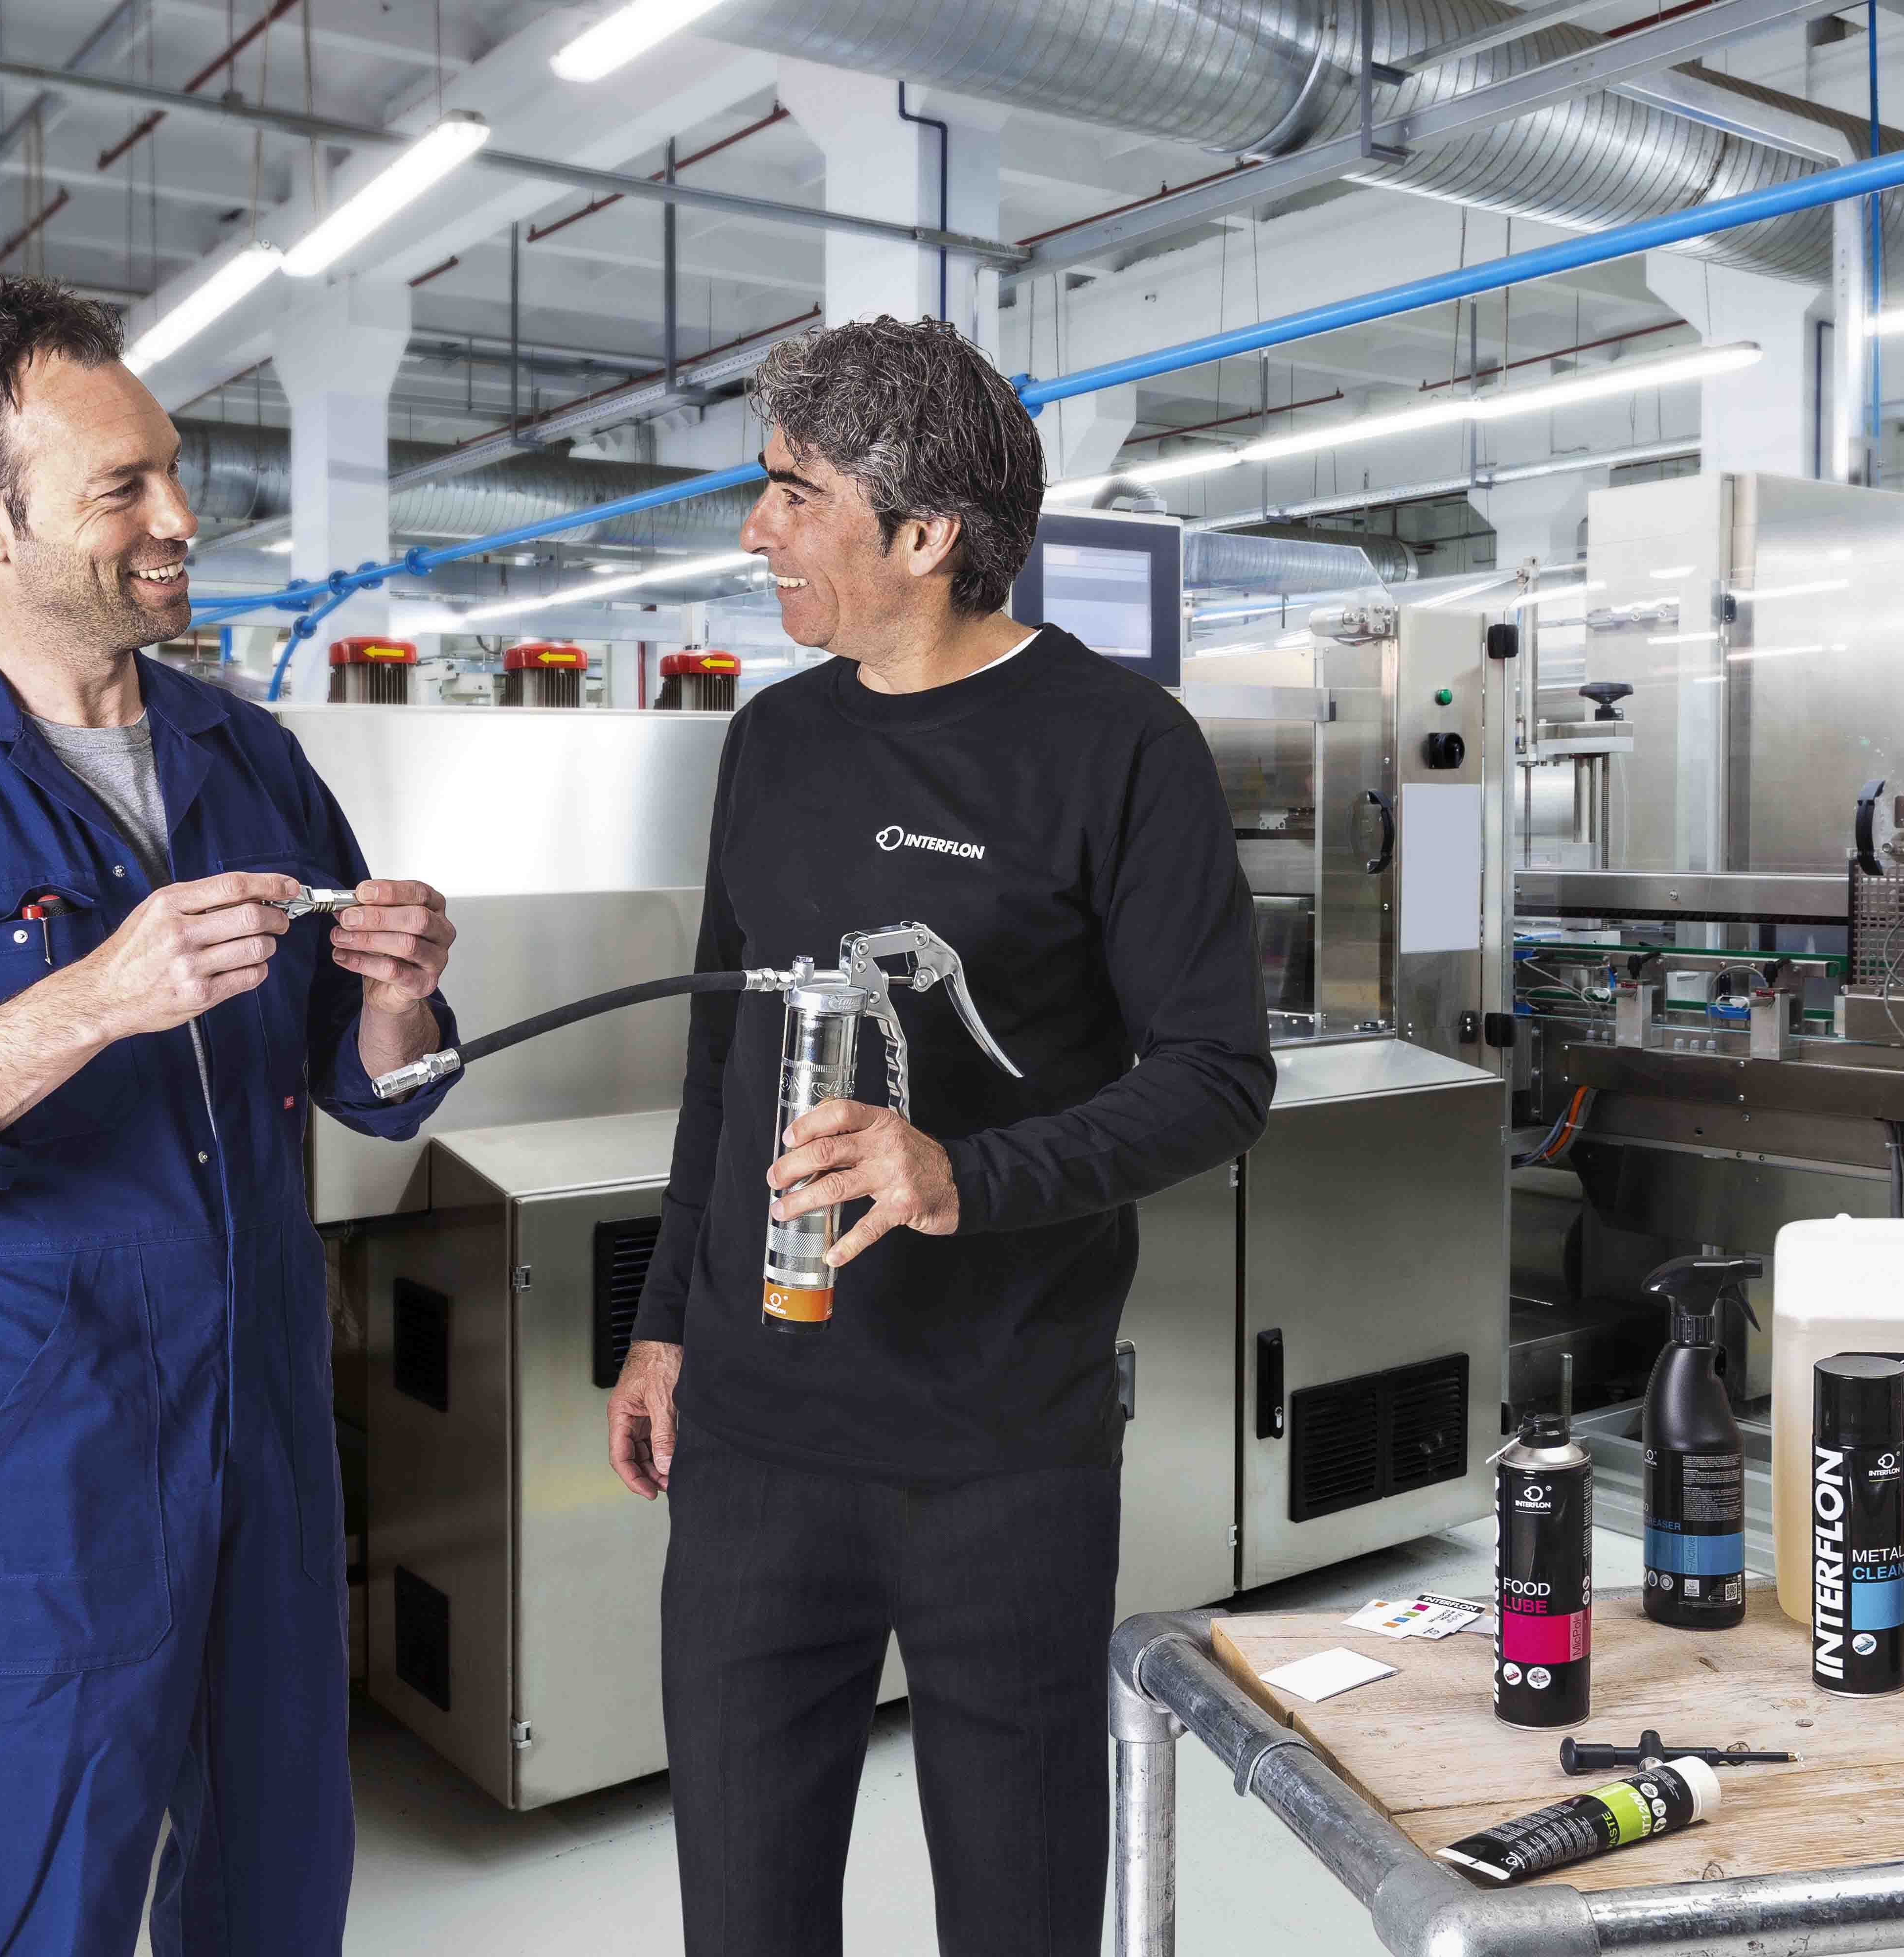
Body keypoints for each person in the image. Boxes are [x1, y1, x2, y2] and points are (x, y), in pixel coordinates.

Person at [0, 277, 458, 1957]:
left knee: (277, 1881)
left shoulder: (251, 758)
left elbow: (362, 1078)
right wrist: (89, 1002)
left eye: (173, 469)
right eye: (123, 487)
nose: (180, 518)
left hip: (268, 1410)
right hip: (45, 1442)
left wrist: (401, 999)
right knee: (43, 1900)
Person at [605, 316, 1275, 1956]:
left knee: (1019, 1909)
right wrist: (663, 1323)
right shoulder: (775, 740)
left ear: (926, 536)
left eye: (794, 494)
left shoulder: (1121, 747)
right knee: (744, 1915)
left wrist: (962, 1175)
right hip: (756, 1444)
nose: (756, 529)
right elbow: (724, 1057)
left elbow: (1217, 1073)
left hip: (1004, 1449)